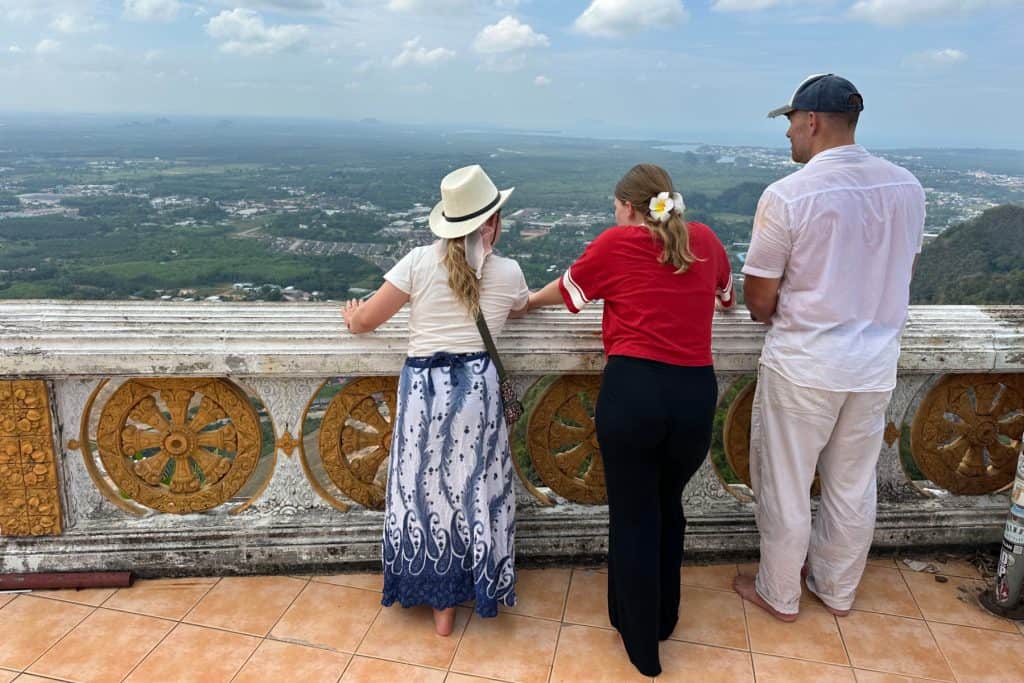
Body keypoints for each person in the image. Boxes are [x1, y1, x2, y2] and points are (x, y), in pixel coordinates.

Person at [527, 164, 734, 676]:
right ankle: (664, 618)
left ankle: (640, 640)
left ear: (627, 207)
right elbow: (727, 297)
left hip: (634, 392)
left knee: (633, 513)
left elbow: (568, 292)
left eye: (615, 206)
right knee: (667, 505)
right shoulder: (704, 240)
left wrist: (526, 302)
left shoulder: (615, 244)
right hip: (693, 395)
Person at [733, 74, 926, 622]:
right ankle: (837, 590)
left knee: (785, 483)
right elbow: (905, 274)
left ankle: (779, 591)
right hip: (872, 365)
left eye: (791, 122)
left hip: (805, 363)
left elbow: (759, 299)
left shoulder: (789, 195)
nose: (788, 134)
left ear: (812, 121)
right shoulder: (907, 187)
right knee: (852, 485)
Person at [343, 164, 529, 635]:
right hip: (477, 390)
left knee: (424, 491)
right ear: (490, 223)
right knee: (473, 488)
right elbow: (522, 305)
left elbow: (366, 320)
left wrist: (351, 318)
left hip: (424, 393)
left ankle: (438, 605)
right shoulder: (507, 270)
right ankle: (474, 589)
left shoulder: (417, 262)